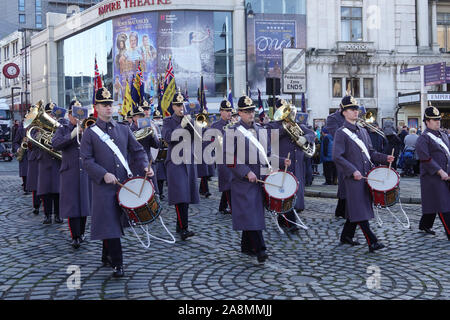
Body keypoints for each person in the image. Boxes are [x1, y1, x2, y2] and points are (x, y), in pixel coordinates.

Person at [80, 87, 151, 278]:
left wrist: (145, 166)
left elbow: (137, 151)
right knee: (110, 223)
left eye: (110, 104)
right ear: (97, 107)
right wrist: (103, 174)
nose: (108, 108)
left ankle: (106, 255)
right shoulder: (90, 133)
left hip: (123, 184)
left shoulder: (123, 129)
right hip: (103, 186)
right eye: (104, 105)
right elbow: (86, 160)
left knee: (112, 222)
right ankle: (118, 263)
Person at [225, 95, 290, 263]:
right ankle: (261, 249)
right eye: (246, 111)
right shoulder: (232, 131)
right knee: (252, 214)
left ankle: (247, 247)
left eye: (252, 110)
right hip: (244, 180)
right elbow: (228, 157)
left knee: (253, 213)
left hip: (260, 179)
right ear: (239, 113)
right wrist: (246, 172)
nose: (250, 114)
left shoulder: (261, 130)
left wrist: (282, 161)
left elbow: (267, 154)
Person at [332, 95, 394, 253]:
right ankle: (372, 241)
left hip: (366, 176)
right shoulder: (341, 132)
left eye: (356, 109)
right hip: (353, 178)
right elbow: (337, 156)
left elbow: (371, 153)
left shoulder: (363, 131)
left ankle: (346, 236)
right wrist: (353, 170)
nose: (355, 112)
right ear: (344, 112)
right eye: (352, 109)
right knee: (360, 209)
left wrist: (385, 158)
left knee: (356, 208)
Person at [265, 98, 315, 233]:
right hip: (282, 164)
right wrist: (285, 127)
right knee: (285, 193)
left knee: (295, 190)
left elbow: (312, 133)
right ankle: (289, 222)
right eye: (283, 111)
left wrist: (306, 138)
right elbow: (270, 138)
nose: (287, 114)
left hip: (297, 164)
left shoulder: (296, 124)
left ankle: (287, 218)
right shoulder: (272, 125)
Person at [52, 99, 92, 249]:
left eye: (80, 114)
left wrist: (85, 131)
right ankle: (75, 235)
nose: (78, 118)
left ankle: (81, 233)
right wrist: (71, 135)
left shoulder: (88, 128)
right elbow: (55, 144)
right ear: (69, 115)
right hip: (69, 170)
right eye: (75, 114)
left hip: (85, 171)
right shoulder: (63, 128)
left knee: (84, 204)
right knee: (73, 204)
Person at [161, 92, 199, 241]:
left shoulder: (190, 120)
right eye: (177, 105)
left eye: (182, 104)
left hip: (188, 161)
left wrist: (193, 123)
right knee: (180, 196)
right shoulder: (168, 121)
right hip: (175, 162)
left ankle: (180, 225)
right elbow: (168, 137)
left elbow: (200, 137)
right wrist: (181, 125)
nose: (180, 108)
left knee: (186, 195)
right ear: (173, 106)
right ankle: (184, 228)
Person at [415, 105, 450, 240]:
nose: (438, 122)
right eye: (434, 120)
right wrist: (440, 171)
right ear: (427, 122)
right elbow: (426, 159)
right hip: (433, 177)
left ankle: (425, 225)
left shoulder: (444, 135)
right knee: (443, 204)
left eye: (438, 119)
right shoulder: (423, 138)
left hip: (446, 174)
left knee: (433, 202)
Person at [37, 103, 62, 225]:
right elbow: (35, 141)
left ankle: (58, 215)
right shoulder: (40, 127)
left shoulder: (62, 127)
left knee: (58, 192)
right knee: (45, 192)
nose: (51, 115)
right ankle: (47, 215)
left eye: (53, 113)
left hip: (57, 163)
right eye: (49, 113)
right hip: (45, 162)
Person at [210, 99, 234, 215]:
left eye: (230, 110)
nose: (229, 113)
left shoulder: (234, 124)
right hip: (222, 158)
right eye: (226, 110)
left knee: (229, 181)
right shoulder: (215, 125)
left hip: (234, 157)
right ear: (221, 111)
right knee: (228, 181)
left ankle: (222, 206)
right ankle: (232, 207)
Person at [324, 106, 346, 218]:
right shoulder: (332, 118)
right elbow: (336, 134)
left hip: (352, 152)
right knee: (343, 183)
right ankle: (342, 211)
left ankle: (343, 210)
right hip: (341, 153)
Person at [12, 119, 28, 194]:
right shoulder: (20, 129)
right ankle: (26, 187)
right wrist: (18, 148)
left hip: (34, 152)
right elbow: (15, 142)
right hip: (24, 152)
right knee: (25, 172)